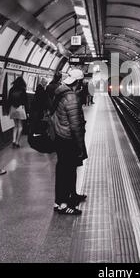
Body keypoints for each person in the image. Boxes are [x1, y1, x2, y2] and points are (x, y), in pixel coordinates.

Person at [53, 69, 88, 215]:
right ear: (78, 82)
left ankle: (71, 195)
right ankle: (63, 204)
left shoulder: (60, 92)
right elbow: (76, 126)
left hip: (61, 136)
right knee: (66, 172)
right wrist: (80, 146)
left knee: (67, 170)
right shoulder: (71, 98)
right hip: (68, 139)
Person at [7, 76, 28, 148]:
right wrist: (27, 111)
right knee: (20, 126)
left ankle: (13, 140)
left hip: (13, 108)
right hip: (20, 108)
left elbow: (9, 100)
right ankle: (17, 142)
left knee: (15, 125)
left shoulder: (11, 89)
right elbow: (25, 102)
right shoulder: (23, 90)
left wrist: (7, 110)